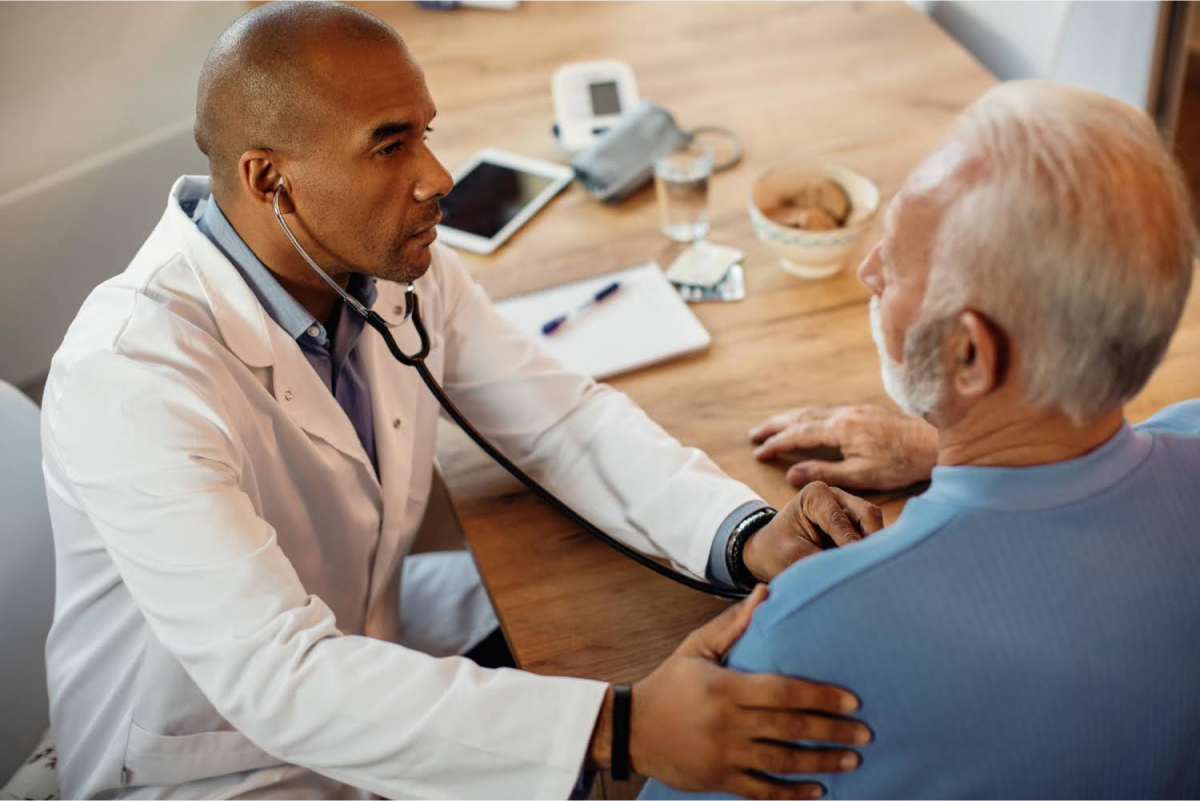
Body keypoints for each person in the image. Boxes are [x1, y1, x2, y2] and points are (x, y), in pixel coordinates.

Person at [39, 2, 878, 799]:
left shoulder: (385, 270)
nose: (437, 176)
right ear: (271, 181)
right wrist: (620, 726)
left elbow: (560, 419)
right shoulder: (133, 376)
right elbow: (276, 678)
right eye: (389, 145)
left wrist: (743, 536)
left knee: (604, 628)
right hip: (208, 762)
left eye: (426, 133)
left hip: (368, 636)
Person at [641, 80, 1200, 801]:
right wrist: (943, 444)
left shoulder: (809, 635)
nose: (869, 271)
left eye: (896, 263)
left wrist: (622, 729)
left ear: (970, 356)